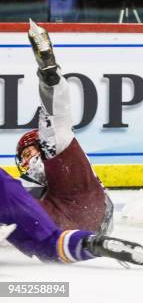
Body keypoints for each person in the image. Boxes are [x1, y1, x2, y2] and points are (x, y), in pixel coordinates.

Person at [15, 20, 113, 234]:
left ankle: (49, 77)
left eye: (30, 151)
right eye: (25, 154)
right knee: (59, 129)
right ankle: (50, 75)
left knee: (57, 134)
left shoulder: (40, 169)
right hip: (87, 216)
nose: (28, 157)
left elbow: (24, 190)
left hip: (66, 218)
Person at [0, 168, 143, 265]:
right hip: (6, 187)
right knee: (51, 243)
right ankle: (92, 244)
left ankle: (91, 244)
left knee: (50, 244)